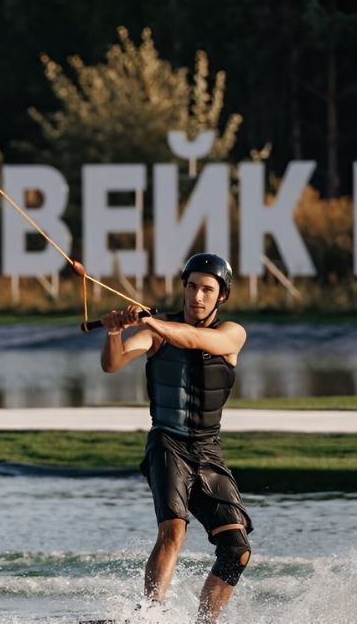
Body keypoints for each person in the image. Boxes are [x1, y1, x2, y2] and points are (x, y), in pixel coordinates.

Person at [99, 253, 251, 623]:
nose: (197, 296)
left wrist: (153, 322)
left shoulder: (232, 334)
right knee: (174, 530)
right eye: (191, 286)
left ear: (222, 297)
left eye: (207, 290)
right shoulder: (154, 333)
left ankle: (204, 622)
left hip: (208, 450)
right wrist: (115, 332)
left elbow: (195, 338)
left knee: (236, 550)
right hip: (167, 443)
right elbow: (113, 363)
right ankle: (150, 614)